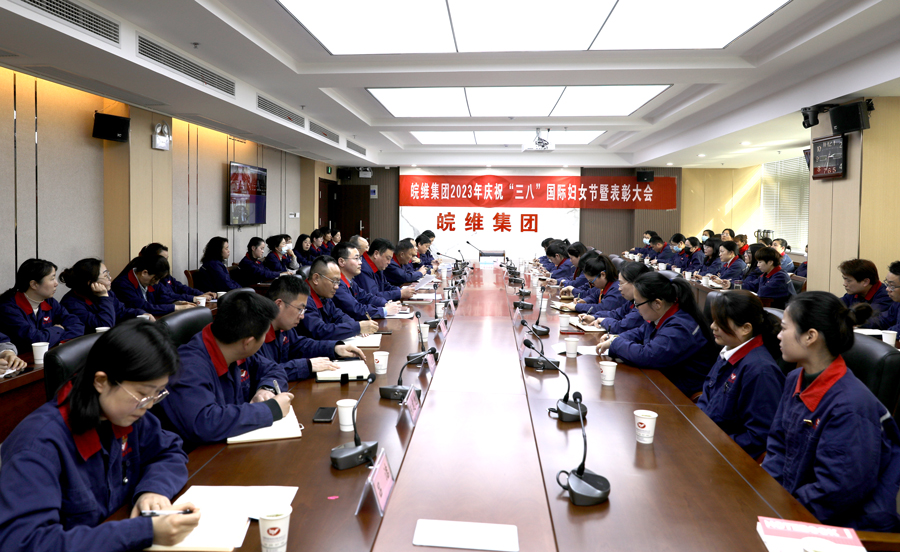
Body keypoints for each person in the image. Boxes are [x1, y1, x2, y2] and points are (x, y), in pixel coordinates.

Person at [0, 320, 201, 551]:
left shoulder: (126, 414)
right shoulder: (38, 445)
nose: (148, 405)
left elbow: (169, 451)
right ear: (101, 382)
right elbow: (26, 543)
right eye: (143, 393)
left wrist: (153, 490)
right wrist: (143, 531)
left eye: (157, 394)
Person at [762, 292, 900, 532]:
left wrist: (783, 510)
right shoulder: (795, 378)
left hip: (837, 526)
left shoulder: (850, 407)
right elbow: (778, 445)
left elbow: (836, 491)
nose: (779, 335)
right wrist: (766, 494)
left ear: (810, 336)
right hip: (793, 507)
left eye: (784, 328)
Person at [155, 291, 293, 450]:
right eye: (264, 335)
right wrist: (269, 410)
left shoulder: (234, 347)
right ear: (248, 342)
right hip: (197, 457)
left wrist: (266, 389)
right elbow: (204, 423)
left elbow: (274, 369)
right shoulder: (188, 366)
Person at [597, 272, 717, 397]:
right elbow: (640, 332)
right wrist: (614, 338)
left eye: (638, 304)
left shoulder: (680, 327)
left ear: (657, 304)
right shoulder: (662, 315)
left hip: (680, 394)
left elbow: (647, 355)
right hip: (661, 380)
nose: (636, 308)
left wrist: (616, 343)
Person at [697, 291, 785, 458]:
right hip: (706, 440)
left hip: (726, 456)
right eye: (714, 320)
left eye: (720, 322)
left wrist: (713, 442)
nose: (713, 326)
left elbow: (759, 437)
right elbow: (707, 398)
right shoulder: (729, 351)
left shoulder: (761, 371)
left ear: (745, 328)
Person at [255, 275, 366, 381]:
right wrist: (307, 365)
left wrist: (335, 349)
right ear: (279, 304)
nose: (302, 316)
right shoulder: (254, 334)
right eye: (300, 309)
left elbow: (301, 346)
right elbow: (264, 373)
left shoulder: (283, 327)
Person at [0, 258, 84, 352]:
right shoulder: (8, 308)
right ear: (34, 284)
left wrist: (53, 338)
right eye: (52, 279)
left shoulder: (49, 302)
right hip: (21, 359)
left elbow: (77, 325)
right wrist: (58, 329)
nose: (56, 283)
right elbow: (35, 340)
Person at [301, 256, 380, 340]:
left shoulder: (323, 294)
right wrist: (356, 327)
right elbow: (320, 331)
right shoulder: (302, 299)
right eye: (334, 281)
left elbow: (338, 315)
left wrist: (356, 325)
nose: (336, 287)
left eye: (338, 282)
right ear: (316, 279)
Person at [60, 258, 150, 331]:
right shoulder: (72, 304)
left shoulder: (107, 293)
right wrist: (103, 297)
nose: (110, 278)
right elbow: (105, 326)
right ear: (90, 282)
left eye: (108, 274)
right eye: (105, 276)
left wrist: (141, 313)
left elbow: (121, 312)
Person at [332, 242, 401, 320]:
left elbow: (366, 297)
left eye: (360, 258)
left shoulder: (350, 281)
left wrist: (386, 303)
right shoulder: (337, 285)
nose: (360, 262)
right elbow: (356, 310)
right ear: (341, 262)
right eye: (356, 258)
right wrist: (384, 310)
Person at [579, 261, 652, 334]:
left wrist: (604, 321)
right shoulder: (632, 301)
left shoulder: (644, 305)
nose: (619, 288)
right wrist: (594, 317)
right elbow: (617, 314)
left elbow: (622, 327)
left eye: (621, 283)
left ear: (636, 283)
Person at [112, 255, 196, 317]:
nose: (156, 282)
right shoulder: (122, 285)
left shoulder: (150, 280)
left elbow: (162, 296)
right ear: (144, 273)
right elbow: (144, 307)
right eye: (156, 279)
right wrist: (176, 308)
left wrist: (176, 302)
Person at [133, 243, 213, 305]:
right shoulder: (151, 279)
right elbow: (167, 295)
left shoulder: (166, 276)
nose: (166, 263)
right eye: (163, 259)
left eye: (167, 259)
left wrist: (201, 294)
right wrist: (193, 298)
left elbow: (180, 287)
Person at [731, 247, 795, 308]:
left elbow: (762, 293)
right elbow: (752, 285)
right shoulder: (766, 273)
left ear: (770, 262)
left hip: (782, 310)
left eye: (760, 262)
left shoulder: (780, 277)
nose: (758, 265)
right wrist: (730, 285)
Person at [838, 259, 892, 328]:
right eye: (844, 279)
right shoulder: (854, 293)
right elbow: (836, 306)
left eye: (848, 280)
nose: (844, 284)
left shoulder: (885, 296)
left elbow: (866, 318)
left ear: (865, 282)